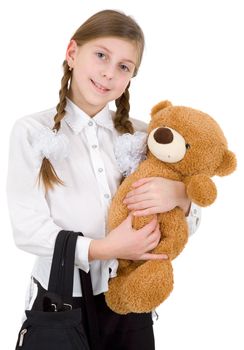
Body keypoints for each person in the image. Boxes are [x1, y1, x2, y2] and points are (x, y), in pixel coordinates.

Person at [6, 9, 201, 350]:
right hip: (61, 297)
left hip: (128, 295)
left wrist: (181, 196)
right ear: (72, 54)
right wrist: (105, 248)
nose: (109, 73)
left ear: (131, 77)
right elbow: (27, 228)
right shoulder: (32, 132)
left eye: (124, 67)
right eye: (101, 56)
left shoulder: (144, 136)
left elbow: (186, 223)